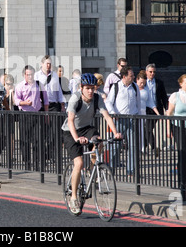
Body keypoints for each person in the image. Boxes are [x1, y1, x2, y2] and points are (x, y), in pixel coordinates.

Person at [62, 73, 122, 215]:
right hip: (71, 131)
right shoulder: (75, 99)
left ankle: (92, 168)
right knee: (78, 163)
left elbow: (106, 116)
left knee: (99, 142)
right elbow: (70, 121)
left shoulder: (97, 98)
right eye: (87, 88)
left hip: (87, 128)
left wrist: (115, 133)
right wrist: (77, 138)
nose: (90, 91)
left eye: (92, 88)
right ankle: (74, 197)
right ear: (81, 88)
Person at [104, 66, 141, 175]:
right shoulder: (116, 87)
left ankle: (131, 170)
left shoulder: (135, 87)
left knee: (133, 145)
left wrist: (139, 115)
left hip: (132, 118)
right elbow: (108, 102)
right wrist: (112, 113)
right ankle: (110, 168)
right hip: (119, 119)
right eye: (131, 76)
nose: (133, 77)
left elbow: (138, 103)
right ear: (124, 76)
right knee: (115, 146)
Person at [14, 65, 49, 169]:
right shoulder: (20, 86)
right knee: (25, 140)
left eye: (31, 74)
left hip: (37, 114)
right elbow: (16, 100)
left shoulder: (39, 84)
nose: (30, 76)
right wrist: (25, 103)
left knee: (38, 139)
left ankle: (38, 162)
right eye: (28, 74)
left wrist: (46, 115)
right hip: (25, 115)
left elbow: (46, 101)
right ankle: (27, 163)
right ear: (24, 75)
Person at [144, 63, 168, 153]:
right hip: (146, 108)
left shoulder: (159, 82)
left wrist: (166, 108)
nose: (152, 73)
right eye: (150, 72)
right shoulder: (143, 82)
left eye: (154, 72)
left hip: (156, 108)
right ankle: (152, 147)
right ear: (146, 72)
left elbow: (164, 96)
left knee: (149, 128)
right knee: (147, 128)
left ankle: (148, 146)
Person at [136, 70, 159, 153]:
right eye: (141, 82)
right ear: (137, 80)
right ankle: (135, 148)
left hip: (143, 113)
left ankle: (142, 149)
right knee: (135, 132)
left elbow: (151, 103)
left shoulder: (146, 91)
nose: (142, 85)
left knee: (142, 131)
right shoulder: (134, 88)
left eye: (144, 83)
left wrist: (158, 114)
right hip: (134, 113)